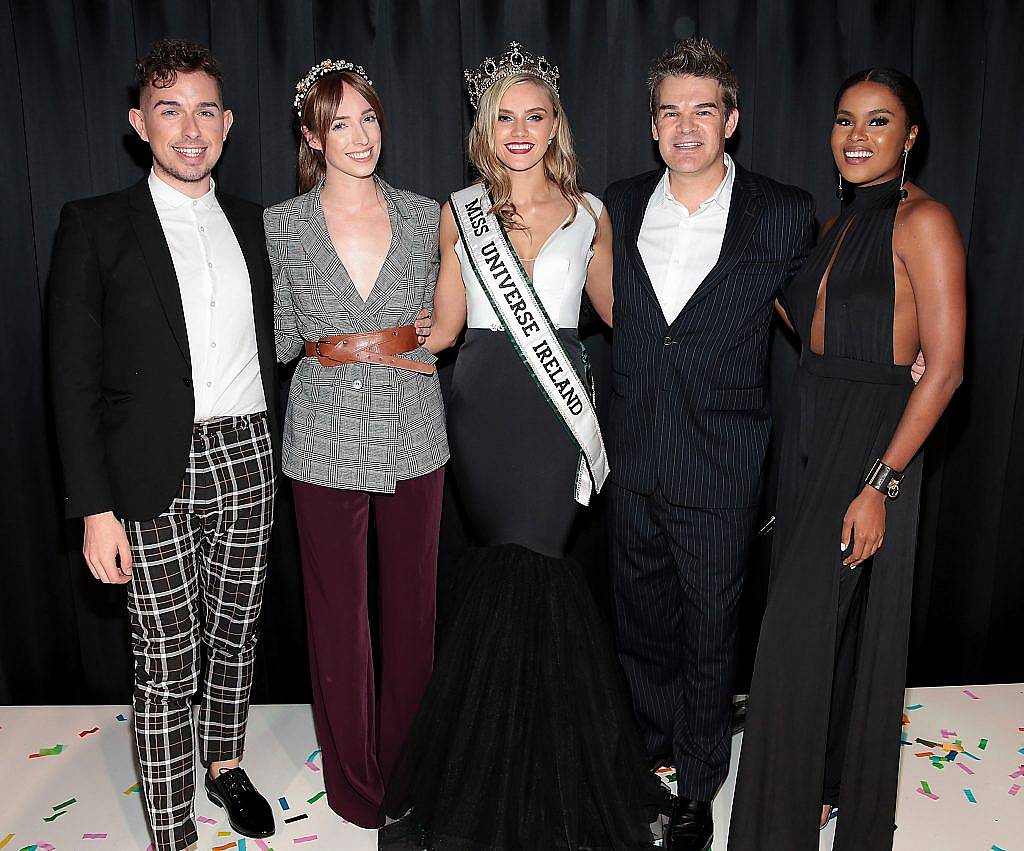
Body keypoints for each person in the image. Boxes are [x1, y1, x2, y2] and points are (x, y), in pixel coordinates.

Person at [379, 42, 668, 849]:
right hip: (483, 403)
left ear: (554, 126)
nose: (519, 130)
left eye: (533, 115)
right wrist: (357, 348)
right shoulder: (459, 208)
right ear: (485, 125)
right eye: (504, 116)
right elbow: (440, 327)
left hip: (556, 408)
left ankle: (547, 767)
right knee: (509, 561)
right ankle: (496, 769)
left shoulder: (591, 213)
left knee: (541, 566)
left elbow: (624, 316)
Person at [48, 38, 278, 851]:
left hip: (251, 456)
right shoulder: (95, 225)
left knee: (238, 628)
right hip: (151, 470)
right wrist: (93, 509)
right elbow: (70, 383)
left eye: (205, 110)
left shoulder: (261, 224)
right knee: (165, 654)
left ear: (229, 123)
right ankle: (171, 830)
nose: (190, 128)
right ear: (139, 122)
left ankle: (224, 762)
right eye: (169, 110)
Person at [728, 68, 965, 850]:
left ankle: (776, 829)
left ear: (911, 137)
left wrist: (880, 481)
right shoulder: (836, 226)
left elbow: (949, 364)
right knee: (824, 631)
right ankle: (825, 787)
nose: (856, 137)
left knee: (791, 639)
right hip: (811, 429)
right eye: (844, 120)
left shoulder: (924, 222)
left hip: (868, 445)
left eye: (878, 122)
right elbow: (809, 322)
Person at [603, 38, 817, 851]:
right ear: (653, 124)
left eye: (702, 110)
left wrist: (904, 345)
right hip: (635, 455)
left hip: (722, 462)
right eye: (669, 111)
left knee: (709, 629)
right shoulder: (617, 203)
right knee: (640, 621)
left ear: (731, 120)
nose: (685, 125)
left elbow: (821, 315)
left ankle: (698, 783)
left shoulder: (782, 209)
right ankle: (650, 748)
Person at [263, 60, 447, 830]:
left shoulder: (426, 212)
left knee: (412, 612)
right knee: (338, 615)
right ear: (312, 135)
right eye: (339, 121)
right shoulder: (279, 225)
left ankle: (407, 776)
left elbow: (447, 321)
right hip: (323, 431)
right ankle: (354, 786)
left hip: (413, 427)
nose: (358, 134)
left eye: (368, 117)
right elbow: (279, 339)